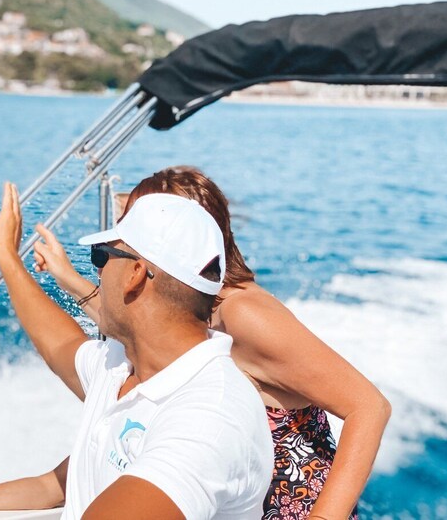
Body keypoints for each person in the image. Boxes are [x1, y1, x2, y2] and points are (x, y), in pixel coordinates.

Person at [29, 167, 390, 519]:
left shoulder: (244, 314)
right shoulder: (191, 312)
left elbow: (369, 407)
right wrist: (69, 278)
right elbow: (136, 326)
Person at [0, 183, 274, 519]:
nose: (98, 272)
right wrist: (6, 257)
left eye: (101, 256)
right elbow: (59, 341)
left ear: (135, 274)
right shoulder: (122, 366)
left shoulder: (209, 416)